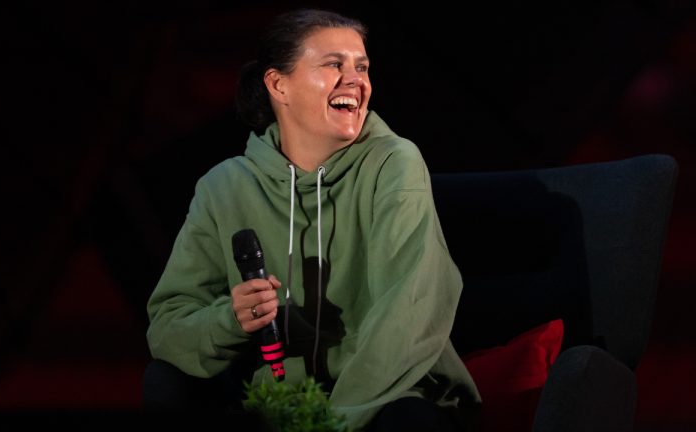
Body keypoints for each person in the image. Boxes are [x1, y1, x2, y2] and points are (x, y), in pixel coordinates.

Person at [143, 8, 481, 431]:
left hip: (384, 401)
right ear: (278, 84)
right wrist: (231, 319)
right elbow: (169, 327)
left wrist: (330, 425)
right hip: (276, 403)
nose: (355, 80)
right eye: (333, 65)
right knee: (166, 383)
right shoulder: (224, 187)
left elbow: (407, 315)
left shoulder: (395, 163)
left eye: (362, 67)